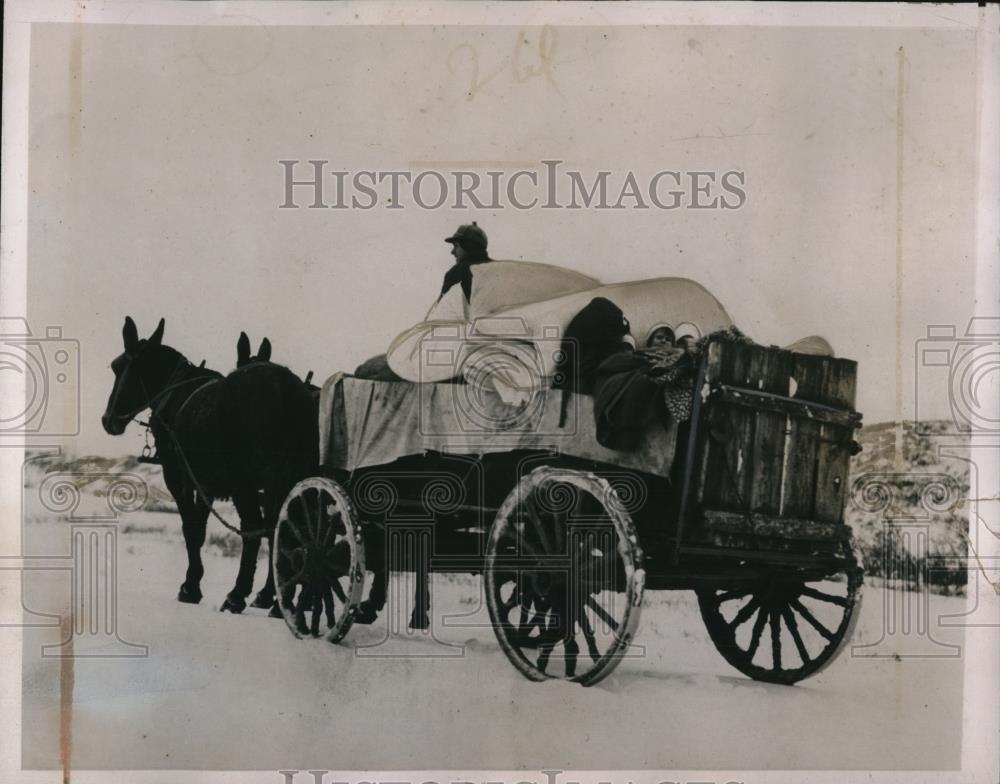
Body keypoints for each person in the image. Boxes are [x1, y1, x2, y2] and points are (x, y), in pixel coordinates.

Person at [439, 221, 491, 303]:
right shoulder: (499, 269)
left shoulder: (456, 272)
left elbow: (443, 312)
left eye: (456, 246)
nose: (452, 252)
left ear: (467, 246)